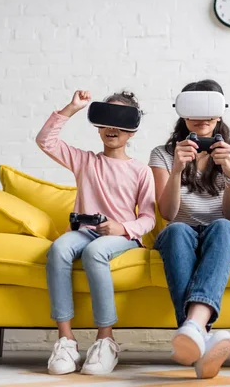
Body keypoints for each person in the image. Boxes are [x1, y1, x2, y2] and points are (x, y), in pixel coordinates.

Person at [36, 90, 156, 376]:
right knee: (59, 248)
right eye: (106, 121)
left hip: (120, 237)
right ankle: (66, 340)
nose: (112, 128)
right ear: (98, 126)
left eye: (120, 122)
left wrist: (122, 227)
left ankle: (105, 340)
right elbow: (45, 141)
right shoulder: (85, 161)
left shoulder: (141, 171)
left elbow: (149, 217)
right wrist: (72, 108)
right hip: (84, 230)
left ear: (133, 130)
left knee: (95, 252)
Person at [149, 79, 230, 379]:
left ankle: (193, 327)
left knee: (222, 226)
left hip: (223, 230)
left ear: (221, 112)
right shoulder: (163, 153)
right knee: (176, 230)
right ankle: (203, 339)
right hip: (180, 230)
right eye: (194, 109)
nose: (203, 117)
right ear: (181, 112)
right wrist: (177, 170)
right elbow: (167, 214)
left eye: (211, 109)